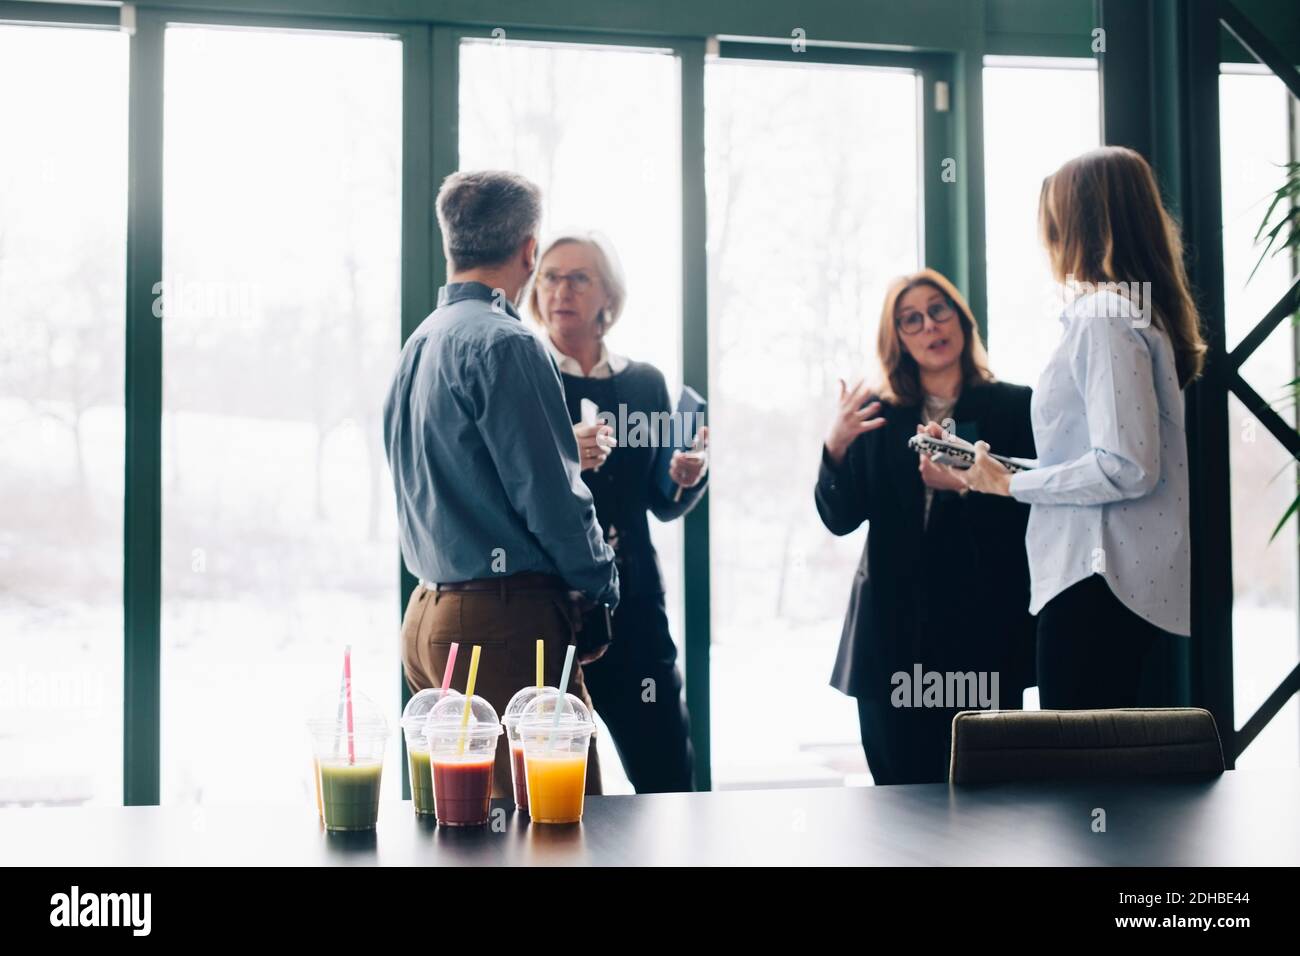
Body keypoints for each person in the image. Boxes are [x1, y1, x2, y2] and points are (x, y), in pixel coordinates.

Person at [383, 171, 619, 800]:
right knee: (556, 827)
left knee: (466, 833)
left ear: (450, 245)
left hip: (427, 619)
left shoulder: (419, 344)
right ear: (527, 249)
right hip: (502, 624)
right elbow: (550, 497)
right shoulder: (507, 343)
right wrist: (601, 584)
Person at [954, 146, 1206, 710]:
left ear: (1078, 225)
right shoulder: (1130, 314)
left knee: (1078, 776)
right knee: (1098, 777)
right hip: (1107, 583)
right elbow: (1109, 458)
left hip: (1095, 581)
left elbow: (1127, 468)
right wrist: (1003, 472)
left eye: (1052, 222)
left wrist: (1012, 486)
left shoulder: (1103, 317)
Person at [815, 268, 1037, 785]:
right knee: (898, 802)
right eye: (910, 320)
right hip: (891, 639)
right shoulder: (878, 413)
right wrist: (835, 447)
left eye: (939, 310)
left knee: (986, 803)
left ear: (960, 319)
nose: (929, 326)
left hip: (983, 629)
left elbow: (1034, 512)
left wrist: (965, 485)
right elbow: (840, 517)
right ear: (897, 340)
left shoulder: (1013, 406)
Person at [528, 231, 706, 793]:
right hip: (549, 609)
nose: (561, 289)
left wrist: (683, 477)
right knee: (559, 797)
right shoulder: (525, 374)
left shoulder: (644, 383)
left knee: (668, 780)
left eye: (579, 277)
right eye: (551, 276)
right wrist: (564, 459)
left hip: (634, 608)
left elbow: (657, 499)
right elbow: (510, 487)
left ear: (608, 294)